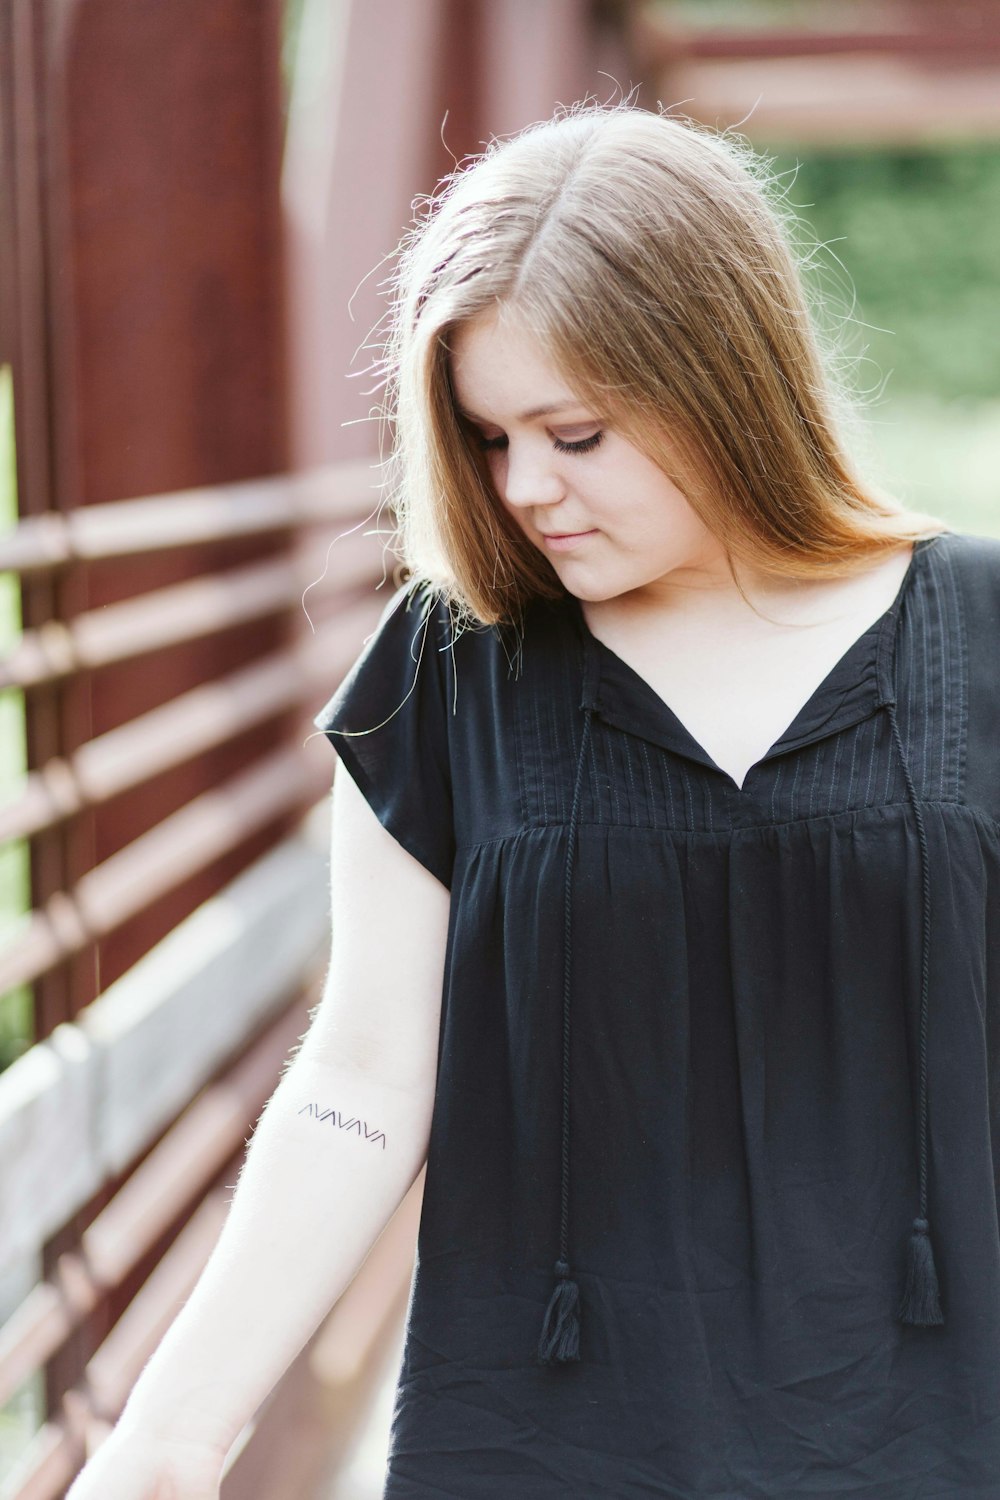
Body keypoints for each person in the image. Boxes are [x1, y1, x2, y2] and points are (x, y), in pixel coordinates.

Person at [66, 98, 1000, 1499]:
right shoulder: (448, 676)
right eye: (489, 440)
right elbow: (366, 1078)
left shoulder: (979, 629)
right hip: (549, 1446)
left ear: (723, 382)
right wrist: (176, 1428)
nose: (525, 493)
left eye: (574, 436)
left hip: (936, 1436)